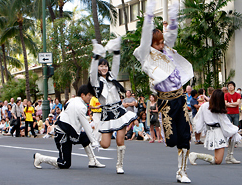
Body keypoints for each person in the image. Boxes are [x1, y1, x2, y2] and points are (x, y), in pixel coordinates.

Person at [133, 1, 193, 183]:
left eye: (161, 42)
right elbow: (145, 40)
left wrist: (175, 5)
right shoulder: (145, 56)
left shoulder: (167, 49)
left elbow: (173, 28)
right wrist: (149, 15)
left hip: (180, 98)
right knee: (172, 140)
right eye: (157, 43)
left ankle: (182, 172)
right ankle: (179, 166)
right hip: (165, 102)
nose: (160, 45)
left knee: (185, 137)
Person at [90, 37, 137, 174]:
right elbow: (92, 71)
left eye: (105, 65)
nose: (104, 68)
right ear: (98, 67)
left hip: (119, 111)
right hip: (106, 113)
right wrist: (95, 56)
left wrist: (116, 51)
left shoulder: (112, 77)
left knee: (120, 140)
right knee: (104, 144)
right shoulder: (95, 81)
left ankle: (120, 165)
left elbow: (116, 63)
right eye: (101, 65)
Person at [33, 85, 105, 169]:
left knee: (85, 137)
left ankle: (93, 160)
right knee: (65, 163)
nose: (91, 97)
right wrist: (94, 142)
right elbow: (86, 125)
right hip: (62, 134)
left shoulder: (72, 100)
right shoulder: (81, 107)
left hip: (69, 131)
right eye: (89, 95)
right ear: (82, 95)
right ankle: (40, 158)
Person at [189, 89, 241, 165]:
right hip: (218, 132)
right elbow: (225, 122)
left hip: (212, 131)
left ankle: (229, 157)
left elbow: (198, 119)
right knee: (218, 160)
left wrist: (198, 129)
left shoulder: (205, 106)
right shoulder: (216, 107)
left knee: (218, 160)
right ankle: (196, 155)